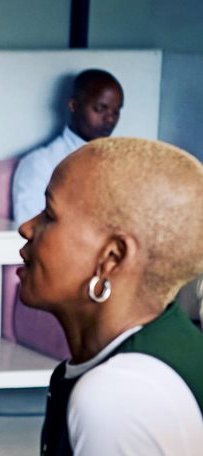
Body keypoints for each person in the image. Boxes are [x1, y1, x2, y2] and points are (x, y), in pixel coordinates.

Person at [17, 137, 203, 455]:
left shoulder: (118, 397)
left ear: (112, 258)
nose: (26, 227)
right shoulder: (161, 343)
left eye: (49, 214)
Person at [12, 69, 124, 224]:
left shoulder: (121, 164)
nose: (110, 119)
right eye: (100, 109)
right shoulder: (40, 164)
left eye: (116, 111)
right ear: (73, 106)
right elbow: (29, 231)